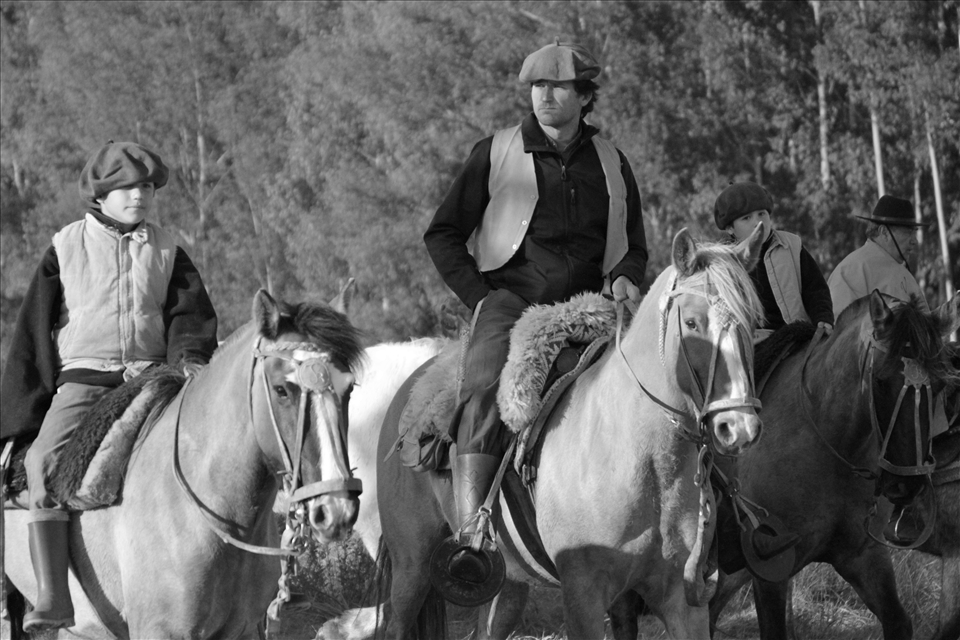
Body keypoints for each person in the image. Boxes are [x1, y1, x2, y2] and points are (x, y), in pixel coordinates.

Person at [423, 39, 648, 590]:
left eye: (558, 87)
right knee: (480, 382)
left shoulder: (613, 162)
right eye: (537, 87)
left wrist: (623, 276)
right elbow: (443, 234)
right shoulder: (495, 151)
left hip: (593, 306)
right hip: (510, 301)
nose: (545, 96)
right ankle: (473, 534)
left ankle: (673, 532)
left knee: (659, 380)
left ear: (584, 96)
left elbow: (634, 246)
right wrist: (479, 297)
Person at [0, 141, 219, 632]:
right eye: (127, 187)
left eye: (145, 186)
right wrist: (20, 418)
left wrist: (187, 364)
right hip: (82, 379)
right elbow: (32, 336)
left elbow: (191, 318)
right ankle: (54, 599)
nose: (139, 195)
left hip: (153, 376)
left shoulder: (169, 250)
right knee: (43, 464)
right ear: (101, 194)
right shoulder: (64, 247)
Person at [827, 194, 943, 544]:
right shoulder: (868, 270)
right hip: (874, 378)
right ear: (883, 231)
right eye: (906, 231)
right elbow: (844, 332)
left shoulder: (892, 271)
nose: (912, 238)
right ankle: (909, 492)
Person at [714, 181, 834, 342]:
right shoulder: (720, 262)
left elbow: (815, 289)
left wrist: (823, 318)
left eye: (762, 214)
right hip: (749, 343)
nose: (757, 222)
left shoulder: (792, 245)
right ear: (730, 228)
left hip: (798, 337)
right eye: (746, 218)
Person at [827, 194, 929, 317]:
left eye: (914, 233)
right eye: (908, 232)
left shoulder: (906, 275)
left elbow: (927, 328)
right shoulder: (851, 270)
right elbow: (841, 330)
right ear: (884, 232)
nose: (914, 241)